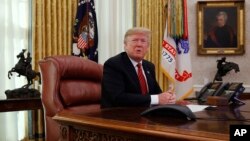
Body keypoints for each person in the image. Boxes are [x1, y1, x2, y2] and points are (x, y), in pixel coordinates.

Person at [101, 27, 176, 108]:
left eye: (143, 41)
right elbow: (118, 98)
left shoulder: (149, 66)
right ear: (125, 45)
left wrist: (168, 97)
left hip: (145, 113)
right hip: (118, 115)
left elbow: (157, 93)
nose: (139, 44)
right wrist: (157, 98)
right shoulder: (114, 64)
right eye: (134, 40)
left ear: (147, 48)